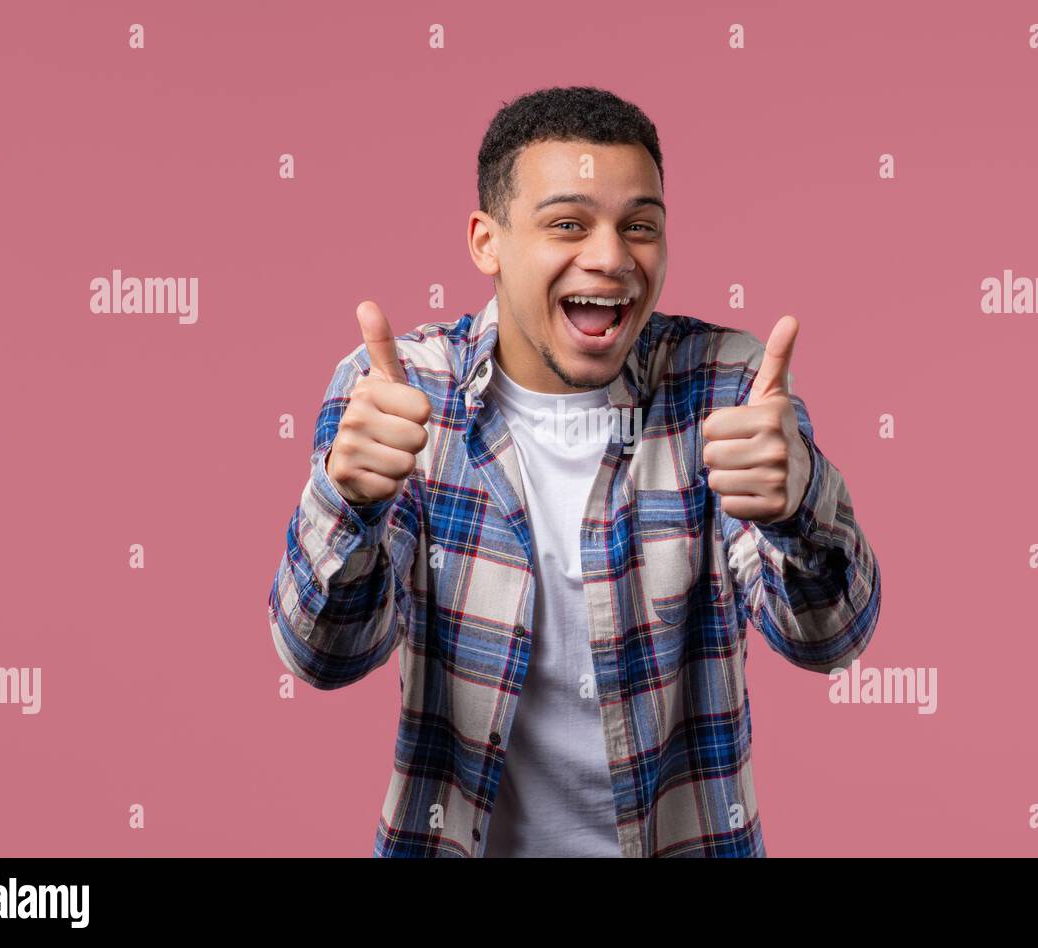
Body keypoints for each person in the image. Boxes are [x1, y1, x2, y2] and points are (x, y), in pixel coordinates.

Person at [267, 86, 882, 857]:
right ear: (486, 242)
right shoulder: (397, 392)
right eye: (568, 223)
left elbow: (830, 639)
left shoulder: (728, 385)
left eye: (640, 227)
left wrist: (798, 508)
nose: (612, 256)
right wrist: (346, 501)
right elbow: (322, 654)